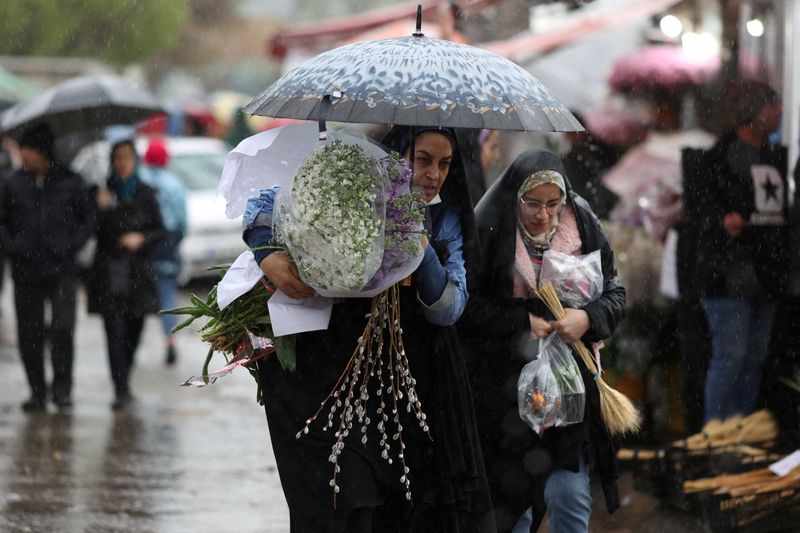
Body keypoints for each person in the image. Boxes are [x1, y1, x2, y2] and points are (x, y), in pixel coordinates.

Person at [243, 126, 494, 532]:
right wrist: (265, 250)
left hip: (405, 389)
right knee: (342, 501)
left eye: (444, 164)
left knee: (390, 507)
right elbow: (271, 202)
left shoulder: (445, 217)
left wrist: (419, 246)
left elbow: (449, 308)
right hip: (331, 372)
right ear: (397, 157)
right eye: (422, 160)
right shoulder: (356, 185)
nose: (433, 174)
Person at [461, 149, 626, 532]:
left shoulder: (581, 222)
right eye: (532, 203)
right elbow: (466, 307)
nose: (544, 215)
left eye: (554, 204)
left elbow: (614, 291)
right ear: (514, 196)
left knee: (570, 495)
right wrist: (520, 320)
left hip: (570, 385)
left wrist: (586, 318)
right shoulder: (490, 227)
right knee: (511, 502)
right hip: (506, 389)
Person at [689, 80, 786, 422]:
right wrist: (720, 221)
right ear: (752, 112)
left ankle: (742, 431)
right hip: (728, 276)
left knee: (754, 358)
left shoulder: (774, 155)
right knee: (730, 356)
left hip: (765, 272)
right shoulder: (719, 158)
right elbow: (699, 210)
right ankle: (715, 437)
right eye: (772, 105)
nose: (780, 113)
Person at [0, 123, 94, 411]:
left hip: (63, 270)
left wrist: (71, 246)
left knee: (63, 329)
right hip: (26, 271)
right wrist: (14, 245)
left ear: (42, 152)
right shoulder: (12, 183)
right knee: (29, 333)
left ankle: (62, 389)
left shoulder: (70, 181)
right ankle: (36, 391)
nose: (23, 156)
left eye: (27, 150)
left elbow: (88, 219)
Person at [88, 139, 164, 409]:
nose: (123, 163)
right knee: (114, 331)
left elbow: (160, 230)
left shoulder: (145, 192)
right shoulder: (101, 192)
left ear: (136, 161)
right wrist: (101, 209)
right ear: (112, 161)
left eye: (128, 157)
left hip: (138, 275)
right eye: (118, 158)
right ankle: (120, 388)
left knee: (134, 329)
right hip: (109, 274)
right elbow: (92, 231)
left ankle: (125, 376)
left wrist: (141, 238)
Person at [140, 138, 187, 365]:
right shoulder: (173, 183)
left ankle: (133, 346)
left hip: (144, 242)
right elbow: (182, 220)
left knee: (138, 293)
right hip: (167, 242)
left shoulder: (140, 180)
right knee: (167, 293)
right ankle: (170, 342)